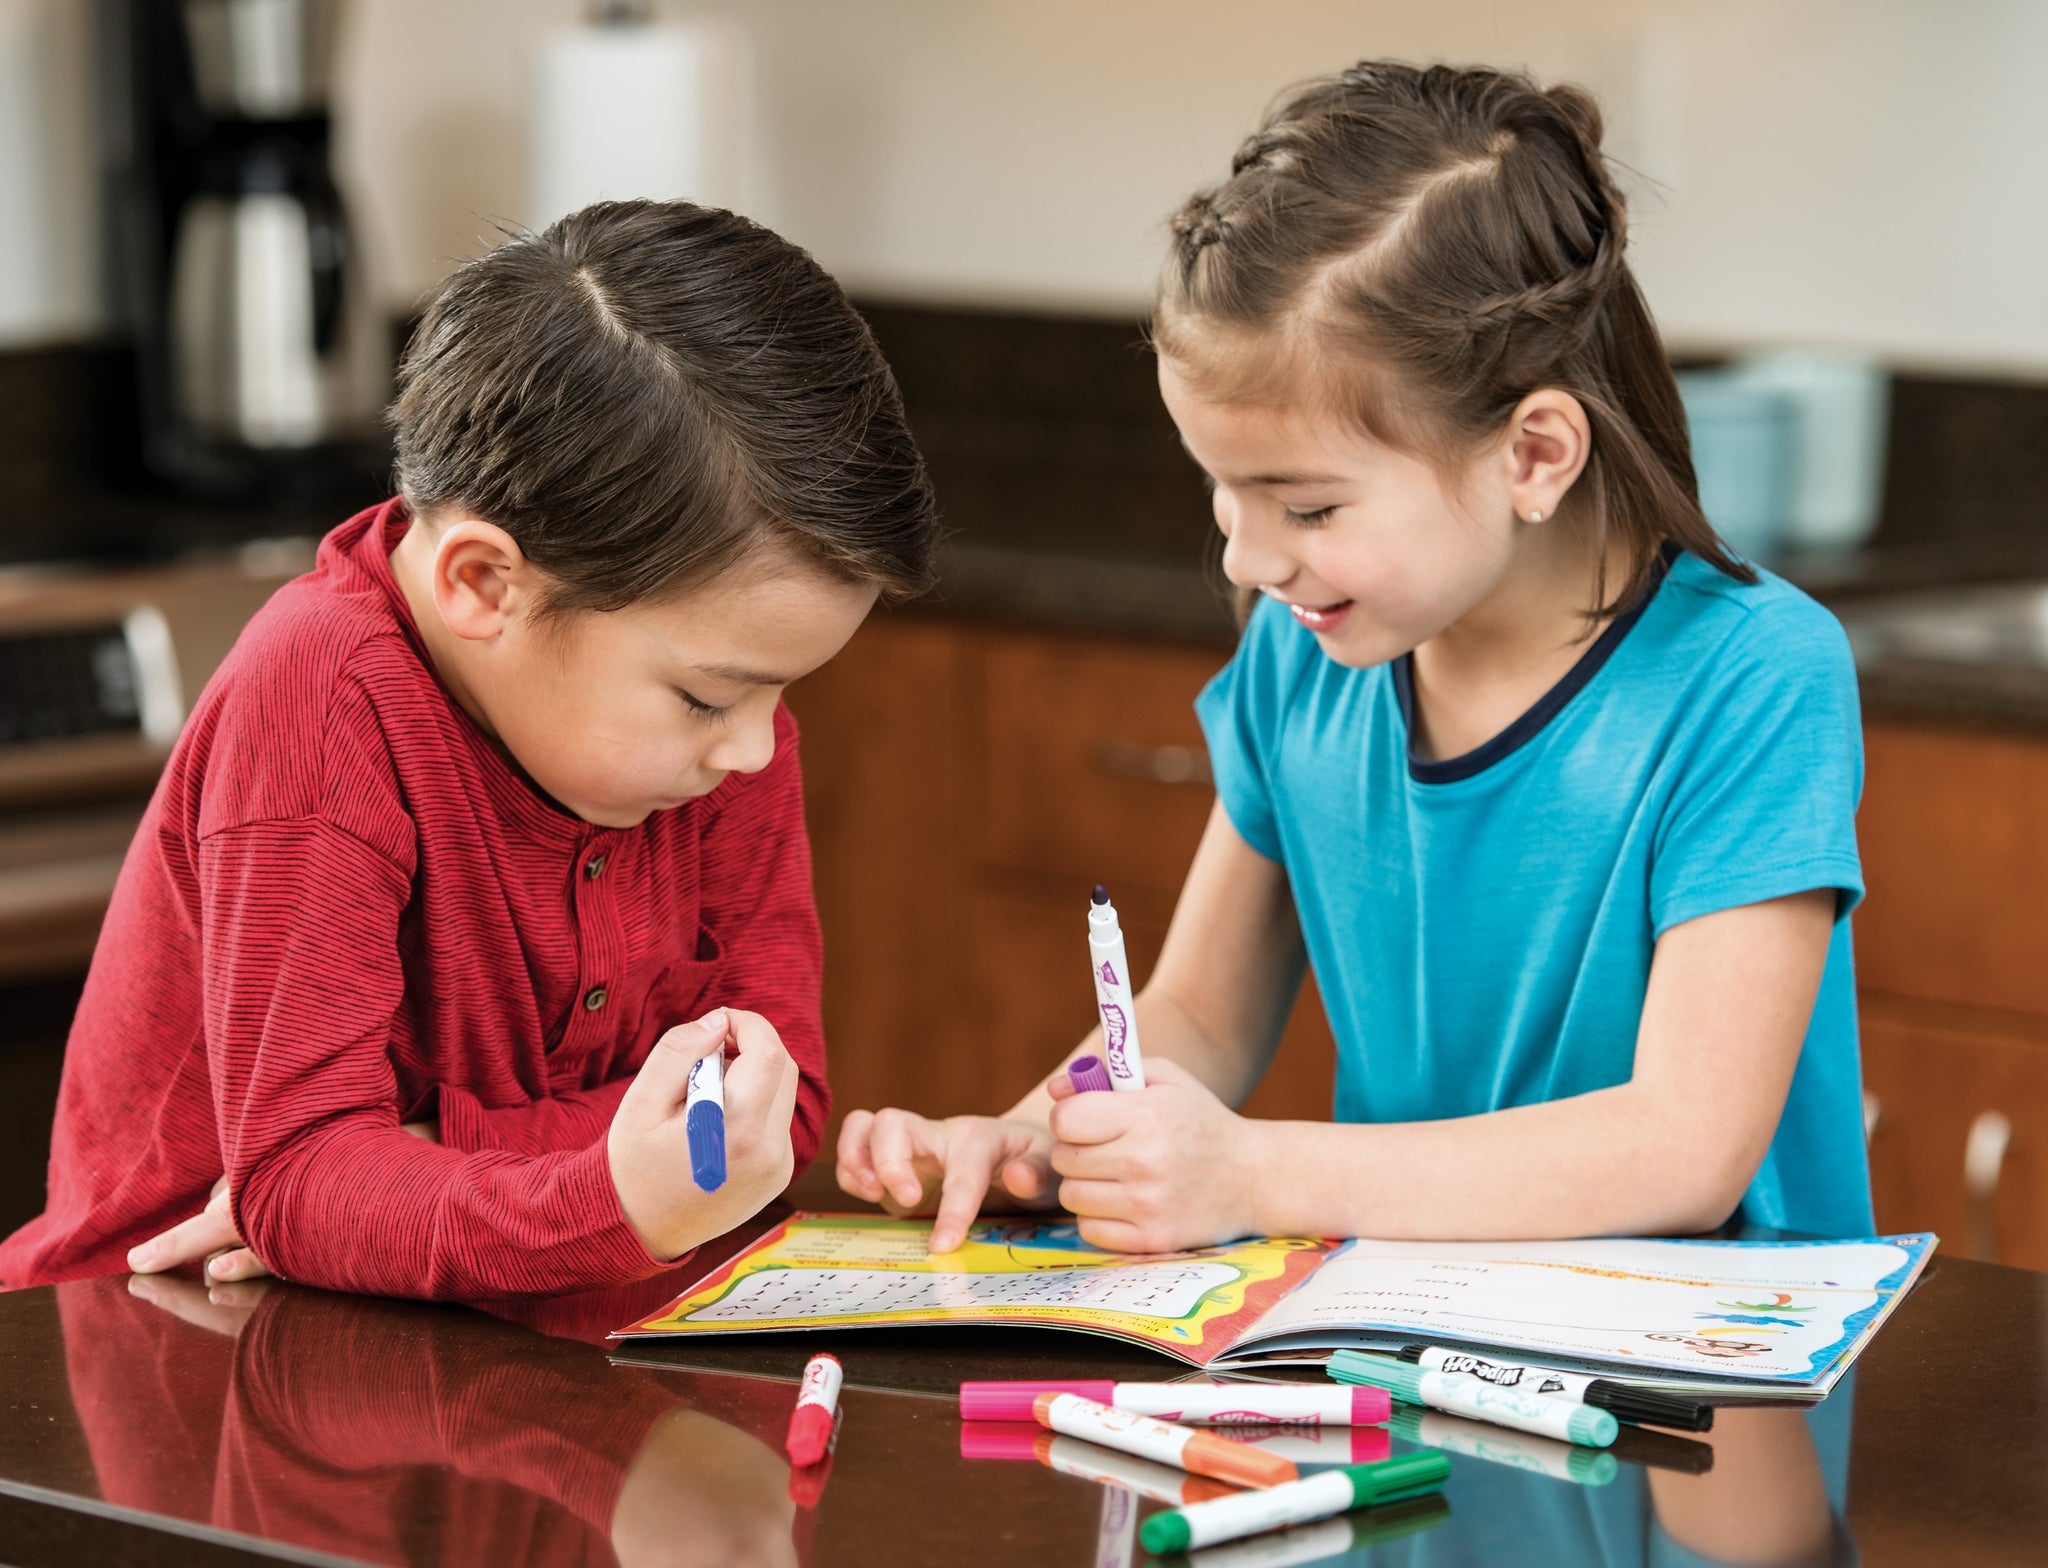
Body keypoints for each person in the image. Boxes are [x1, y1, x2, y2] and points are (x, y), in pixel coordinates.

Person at [837, 62, 1871, 1254]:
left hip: (1701, 1395)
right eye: (1220, 491)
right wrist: (1034, 1140)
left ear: (1533, 454)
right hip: (1404, 1348)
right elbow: (1195, 1017)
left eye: (1308, 508)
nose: (1248, 561)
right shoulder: (1304, 651)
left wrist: (1253, 1170)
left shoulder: (1752, 678)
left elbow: (1680, 1147)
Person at [0, 200, 938, 1297]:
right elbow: (302, 1181)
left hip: (480, 1327)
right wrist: (605, 1187)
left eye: (779, 693)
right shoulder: (320, 702)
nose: (755, 749)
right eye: (702, 696)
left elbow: (773, 1099)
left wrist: (403, 1163)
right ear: (483, 583)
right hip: (168, 1343)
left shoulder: (719, 738)